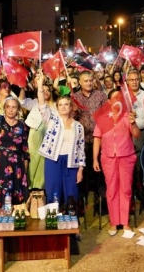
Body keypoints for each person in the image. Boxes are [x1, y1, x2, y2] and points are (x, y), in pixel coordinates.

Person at [92, 89, 140, 236]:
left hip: (126, 156)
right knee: (111, 189)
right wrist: (94, 159)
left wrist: (133, 124)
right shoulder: (102, 118)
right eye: (114, 98)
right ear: (109, 102)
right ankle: (114, 222)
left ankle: (125, 221)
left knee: (125, 189)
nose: (118, 100)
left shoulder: (127, 116)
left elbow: (137, 135)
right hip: (108, 158)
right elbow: (97, 139)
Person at [35, 71, 85, 209]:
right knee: (53, 191)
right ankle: (53, 219)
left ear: (71, 107)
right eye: (60, 105)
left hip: (71, 162)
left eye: (66, 104)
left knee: (72, 193)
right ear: (56, 108)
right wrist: (40, 85)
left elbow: (81, 149)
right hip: (53, 160)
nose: (63, 107)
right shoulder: (52, 120)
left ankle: (71, 221)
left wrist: (81, 169)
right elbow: (42, 105)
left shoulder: (78, 126)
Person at [0, 94, 29, 242]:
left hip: (16, 164)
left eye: (14, 107)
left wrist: (25, 168)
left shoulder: (22, 126)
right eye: (8, 107)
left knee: (10, 196)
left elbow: (25, 148)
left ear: (18, 109)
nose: (11, 110)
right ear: (4, 108)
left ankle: (7, 226)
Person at [72, 70, 107, 198]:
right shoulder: (75, 98)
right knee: (84, 169)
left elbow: (107, 115)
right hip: (83, 140)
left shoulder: (100, 95)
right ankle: (84, 197)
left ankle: (99, 195)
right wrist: (74, 112)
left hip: (99, 138)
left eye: (90, 80)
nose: (89, 83)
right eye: (86, 81)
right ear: (80, 82)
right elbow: (71, 119)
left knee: (99, 169)